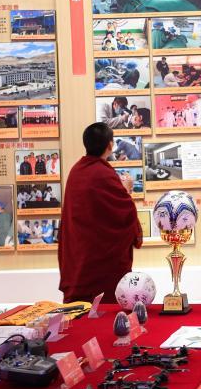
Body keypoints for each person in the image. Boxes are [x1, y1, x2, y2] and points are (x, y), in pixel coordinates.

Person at [59, 122, 143, 303]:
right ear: (110, 145)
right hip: (102, 261)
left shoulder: (77, 170)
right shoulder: (104, 173)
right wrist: (127, 190)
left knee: (80, 311)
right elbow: (124, 212)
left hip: (80, 254)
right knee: (106, 309)